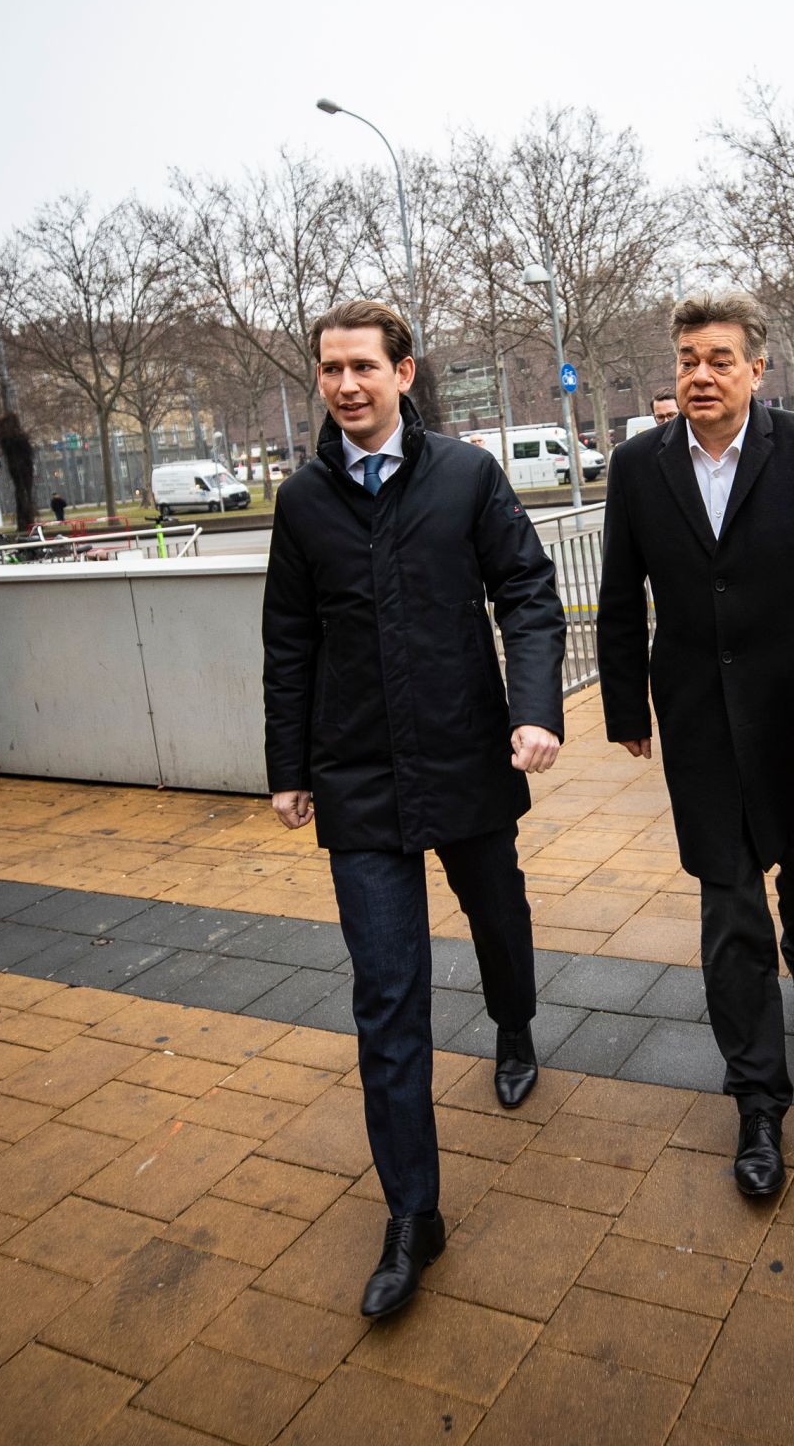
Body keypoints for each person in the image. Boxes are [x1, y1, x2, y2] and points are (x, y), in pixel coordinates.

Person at [262, 299, 566, 1320]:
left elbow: (527, 589)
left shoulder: (466, 477)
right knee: (385, 996)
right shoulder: (301, 503)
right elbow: (289, 642)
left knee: (497, 912)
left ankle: (514, 1021)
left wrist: (532, 708)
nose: (345, 384)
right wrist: (287, 765)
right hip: (355, 779)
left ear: (404, 371)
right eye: (329, 368)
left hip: (468, 756)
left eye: (363, 366)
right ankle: (412, 1215)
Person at [598, 290, 794, 1197]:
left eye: (719, 358)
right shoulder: (639, 464)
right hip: (697, 720)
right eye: (687, 357)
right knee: (729, 910)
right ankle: (757, 1105)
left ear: (757, 368)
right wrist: (624, 708)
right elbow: (620, 596)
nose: (699, 373)